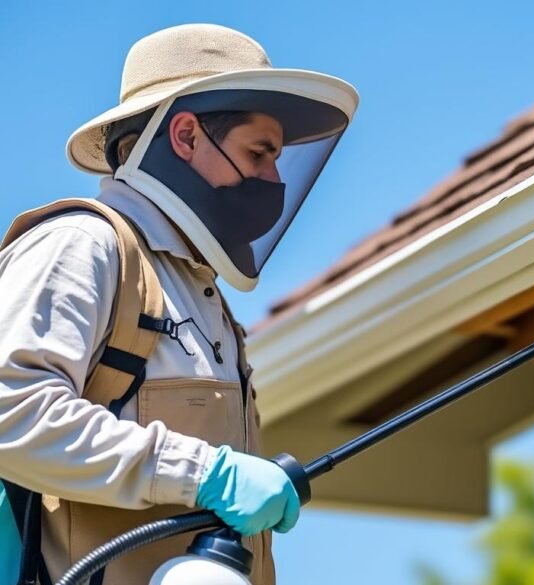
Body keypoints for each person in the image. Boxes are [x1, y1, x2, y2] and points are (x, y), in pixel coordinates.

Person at [0, 23, 358, 584]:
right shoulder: (83, 245)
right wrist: (207, 473)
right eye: (260, 154)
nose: (273, 179)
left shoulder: (196, 287)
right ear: (186, 136)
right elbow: (10, 413)